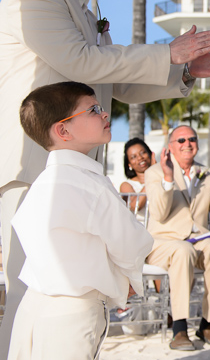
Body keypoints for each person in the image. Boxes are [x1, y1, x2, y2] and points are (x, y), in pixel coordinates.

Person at [0, 0, 210, 353]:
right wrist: (167, 51)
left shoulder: (88, 12)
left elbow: (117, 84)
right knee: (31, 290)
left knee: (74, 290)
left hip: (76, 170)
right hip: (33, 167)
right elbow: (80, 62)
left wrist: (185, 71)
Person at [9, 82, 153, 359]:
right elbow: (132, 242)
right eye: (93, 110)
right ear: (63, 130)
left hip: (32, 306)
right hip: (74, 311)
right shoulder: (90, 185)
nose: (104, 114)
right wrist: (128, 278)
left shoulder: (41, 183)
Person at [144, 125, 210, 350]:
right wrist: (168, 179)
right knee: (182, 251)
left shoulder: (208, 174)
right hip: (163, 241)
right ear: (170, 146)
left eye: (191, 139)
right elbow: (159, 213)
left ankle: (208, 324)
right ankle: (179, 328)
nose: (187, 143)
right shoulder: (155, 172)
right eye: (180, 140)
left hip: (198, 238)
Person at [120, 138, 155, 218]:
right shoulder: (127, 185)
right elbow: (135, 206)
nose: (140, 158)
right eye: (133, 157)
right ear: (129, 164)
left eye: (143, 153)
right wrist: (151, 178)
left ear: (150, 154)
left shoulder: (163, 178)